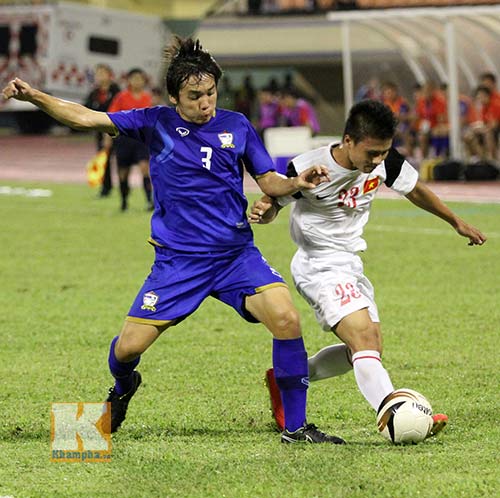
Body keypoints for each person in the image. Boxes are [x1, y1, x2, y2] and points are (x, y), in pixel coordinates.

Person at [2, 36, 345, 445]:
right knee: (127, 349)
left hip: (235, 256)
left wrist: (294, 182)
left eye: (211, 93)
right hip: (178, 263)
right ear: (174, 97)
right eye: (195, 95)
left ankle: (296, 428)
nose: (205, 103)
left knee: (287, 319)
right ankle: (123, 386)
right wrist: (35, 95)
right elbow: (85, 117)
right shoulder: (156, 122)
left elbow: (267, 179)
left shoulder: (237, 126)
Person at [249, 99, 486, 436]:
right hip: (318, 264)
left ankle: (287, 377)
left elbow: (414, 190)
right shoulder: (310, 166)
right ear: (348, 141)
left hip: (349, 263)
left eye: (383, 153)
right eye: (371, 153)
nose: (378, 161)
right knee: (363, 338)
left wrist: (455, 221)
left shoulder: (384, 160)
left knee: (366, 347)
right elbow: (277, 201)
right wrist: (264, 211)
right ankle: (397, 415)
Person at [107, 67, 153, 211]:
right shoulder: (121, 97)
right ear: (129, 81)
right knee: (123, 172)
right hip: (124, 139)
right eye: (134, 78)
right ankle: (124, 201)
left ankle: (150, 201)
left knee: (145, 168)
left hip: (141, 140)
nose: (137, 81)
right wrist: (108, 137)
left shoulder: (147, 97)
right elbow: (111, 117)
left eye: (140, 79)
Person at [84, 64, 120, 198]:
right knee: (103, 159)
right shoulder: (94, 93)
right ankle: (106, 188)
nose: (99, 77)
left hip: (117, 130)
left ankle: (125, 186)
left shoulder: (116, 91)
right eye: (97, 74)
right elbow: (86, 108)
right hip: (100, 131)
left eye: (102, 73)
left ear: (109, 75)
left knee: (123, 160)